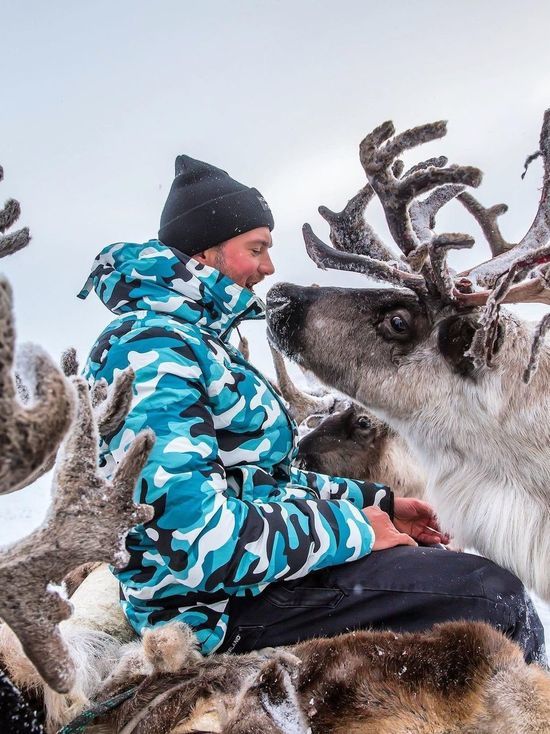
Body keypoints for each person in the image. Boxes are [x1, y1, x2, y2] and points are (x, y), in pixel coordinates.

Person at [79, 155, 545, 664]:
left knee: (447, 568)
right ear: (205, 253)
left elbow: (259, 482)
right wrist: (357, 529)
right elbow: (190, 541)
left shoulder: (194, 342)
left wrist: (379, 504)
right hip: (210, 613)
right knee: (488, 597)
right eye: (255, 249)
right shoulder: (153, 351)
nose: (269, 268)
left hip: (245, 586)